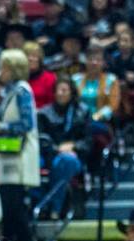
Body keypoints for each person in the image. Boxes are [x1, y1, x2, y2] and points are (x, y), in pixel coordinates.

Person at [0, 48, 39, 241]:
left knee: (16, 212)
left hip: (19, 158)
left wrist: (0, 126)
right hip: (8, 155)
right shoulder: (11, 91)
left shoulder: (22, 91)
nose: (1, 71)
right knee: (9, 212)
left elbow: (27, 124)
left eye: (4, 67)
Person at [37, 78, 87, 218]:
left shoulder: (82, 112)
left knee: (66, 161)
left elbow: (88, 141)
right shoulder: (44, 113)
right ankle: (41, 206)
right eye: (58, 90)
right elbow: (41, 140)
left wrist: (74, 146)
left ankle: (55, 208)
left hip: (75, 157)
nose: (61, 93)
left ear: (71, 93)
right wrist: (57, 149)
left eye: (64, 90)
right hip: (48, 155)